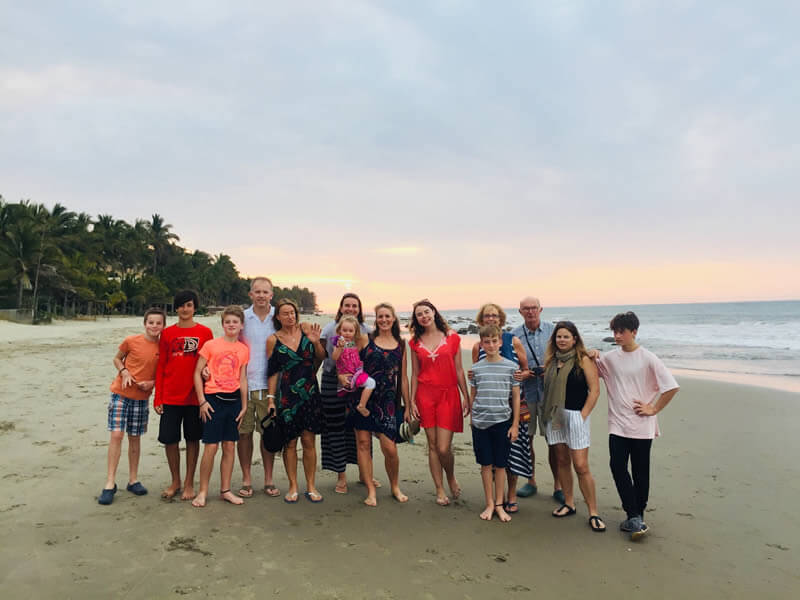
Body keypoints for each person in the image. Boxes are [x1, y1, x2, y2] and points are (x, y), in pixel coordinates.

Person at [593, 311, 679, 540]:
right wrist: (591, 354)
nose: (617, 335)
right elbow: (593, 367)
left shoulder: (648, 358)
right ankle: (633, 515)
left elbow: (671, 387)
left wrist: (654, 408)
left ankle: (636, 516)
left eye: (622, 331)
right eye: (615, 331)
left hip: (642, 425)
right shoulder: (610, 358)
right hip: (618, 424)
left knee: (641, 472)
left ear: (634, 332)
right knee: (617, 466)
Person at [541, 321, 605, 532]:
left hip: (576, 416)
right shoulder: (551, 361)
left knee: (580, 465)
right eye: (559, 336)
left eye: (566, 336)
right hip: (555, 415)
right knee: (561, 460)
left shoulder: (584, 359)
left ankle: (593, 512)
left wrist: (583, 415)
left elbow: (594, 390)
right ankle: (569, 502)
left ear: (575, 339)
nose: (562, 340)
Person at [98, 307, 166, 505]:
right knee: (116, 435)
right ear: (145, 323)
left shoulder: (163, 347)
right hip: (120, 394)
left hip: (141, 398)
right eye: (151, 322)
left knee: (134, 438)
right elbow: (117, 358)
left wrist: (152, 383)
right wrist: (125, 372)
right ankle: (110, 483)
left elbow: (163, 373)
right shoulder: (131, 341)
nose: (154, 326)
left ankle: (133, 480)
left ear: (163, 325)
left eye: (158, 323)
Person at [345, 303, 410, 506]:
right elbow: (348, 359)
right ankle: (371, 490)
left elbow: (404, 378)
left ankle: (394, 486)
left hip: (388, 401)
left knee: (389, 448)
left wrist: (408, 405)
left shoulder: (401, 343)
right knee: (363, 445)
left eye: (387, 316)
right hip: (363, 398)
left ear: (393, 318)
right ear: (376, 319)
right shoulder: (366, 339)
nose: (383, 320)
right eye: (380, 316)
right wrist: (343, 378)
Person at [409, 299, 469, 506]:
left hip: (448, 394)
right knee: (433, 445)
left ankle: (450, 477)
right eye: (419, 314)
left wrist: (466, 397)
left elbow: (459, 370)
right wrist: (411, 402)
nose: (424, 316)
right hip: (425, 395)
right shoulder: (415, 342)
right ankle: (440, 489)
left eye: (426, 312)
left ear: (434, 312)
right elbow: (415, 374)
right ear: (416, 319)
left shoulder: (452, 338)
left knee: (444, 447)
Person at [470, 303, 529, 514]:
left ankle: (502, 501)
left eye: (494, 341)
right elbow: (474, 388)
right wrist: (471, 413)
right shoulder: (477, 360)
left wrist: (514, 423)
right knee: (486, 464)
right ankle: (490, 503)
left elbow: (520, 381)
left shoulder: (512, 355)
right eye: (487, 342)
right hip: (481, 419)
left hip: (505, 417)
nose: (491, 344)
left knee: (504, 462)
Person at [154, 290, 213, 501]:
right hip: (170, 396)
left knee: (192, 439)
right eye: (181, 305)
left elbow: (209, 364)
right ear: (176, 308)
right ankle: (175, 481)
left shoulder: (205, 333)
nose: (185, 309)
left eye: (188, 305)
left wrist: (206, 397)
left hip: (195, 397)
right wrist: (158, 397)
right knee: (170, 440)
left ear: (195, 307)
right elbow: (161, 366)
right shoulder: (167, 334)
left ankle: (189, 482)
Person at [266, 299, 326, 503]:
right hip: (286, 397)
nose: (290, 316)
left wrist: (316, 341)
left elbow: (321, 357)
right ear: (278, 317)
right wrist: (271, 400)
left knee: (309, 441)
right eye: (285, 313)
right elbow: (272, 373)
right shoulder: (273, 340)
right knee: (290, 443)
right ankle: (293, 486)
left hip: (309, 393)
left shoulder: (307, 329)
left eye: (292, 312)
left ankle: (311, 486)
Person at [191, 306, 249, 508]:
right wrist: (202, 401)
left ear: (241, 325)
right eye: (227, 322)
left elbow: (242, 378)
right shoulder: (211, 345)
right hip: (212, 400)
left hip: (233, 402)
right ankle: (203, 491)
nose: (231, 325)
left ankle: (225, 490)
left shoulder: (243, 349)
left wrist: (244, 405)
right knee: (211, 447)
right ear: (223, 324)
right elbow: (197, 373)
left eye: (235, 322)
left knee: (230, 446)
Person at [319, 293, 375, 494]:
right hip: (331, 380)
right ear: (341, 307)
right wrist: (338, 376)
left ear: (359, 309)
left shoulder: (367, 330)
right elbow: (325, 357)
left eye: (355, 306)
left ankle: (365, 473)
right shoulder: (329, 329)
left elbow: (369, 358)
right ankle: (341, 476)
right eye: (347, 305)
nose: (351, 308)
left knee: (361, 428)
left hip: (357, 380)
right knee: (336, 427)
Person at [511, 296, 562, 503]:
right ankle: (531, 481)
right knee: (527, 438)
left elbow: (567, 353)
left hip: (551, 394)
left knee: (555, 441)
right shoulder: (514, 335)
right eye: (526, 309)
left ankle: (558, 485)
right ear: (520, 311)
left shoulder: (553, 331)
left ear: (541, 309)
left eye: (534, 308)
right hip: (526, 394)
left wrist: (548, 369)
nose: (530, 312)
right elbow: (509, 364)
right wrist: (523, 373)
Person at [236, 277, 280, 499]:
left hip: (269, 386)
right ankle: (246, 478)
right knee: (243, 434)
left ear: (271, 295)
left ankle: (269, 478)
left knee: (267, 434)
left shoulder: (278, 318)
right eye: (257, 291)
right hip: (242, 385)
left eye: (265, 292)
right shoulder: (242, 318)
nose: (261, 295)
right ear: (250, 294)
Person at [331, 315, 376, 417]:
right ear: (339, 331)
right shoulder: (338, 342)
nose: (347, 333)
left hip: (357, 372)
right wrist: (339, 348)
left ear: (355, 332)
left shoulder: (355, 342)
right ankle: (361, 405)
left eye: (350, 331)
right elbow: (334, 357)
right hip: (349, 375)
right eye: (344, 330)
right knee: (371, 383)